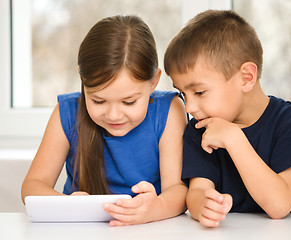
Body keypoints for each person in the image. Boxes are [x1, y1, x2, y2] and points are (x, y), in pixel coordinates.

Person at [164, 10, 291, 228]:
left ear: (246, 78)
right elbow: (198, 190)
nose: (190, 107)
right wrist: (204, 205)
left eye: (200, 92)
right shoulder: (199, 129)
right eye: (183, 94)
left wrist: (234, 138)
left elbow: (279, 205)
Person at [21, 15, 188, 226]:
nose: (113, 115)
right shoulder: (67, 112)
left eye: (129, 102)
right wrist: (66, 204)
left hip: (149, 231)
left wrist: (154, 209)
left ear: (154, 81)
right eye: (99, 101)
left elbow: (179, 190)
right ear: (83, 83)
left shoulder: (170, 110)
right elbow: (32, 186)